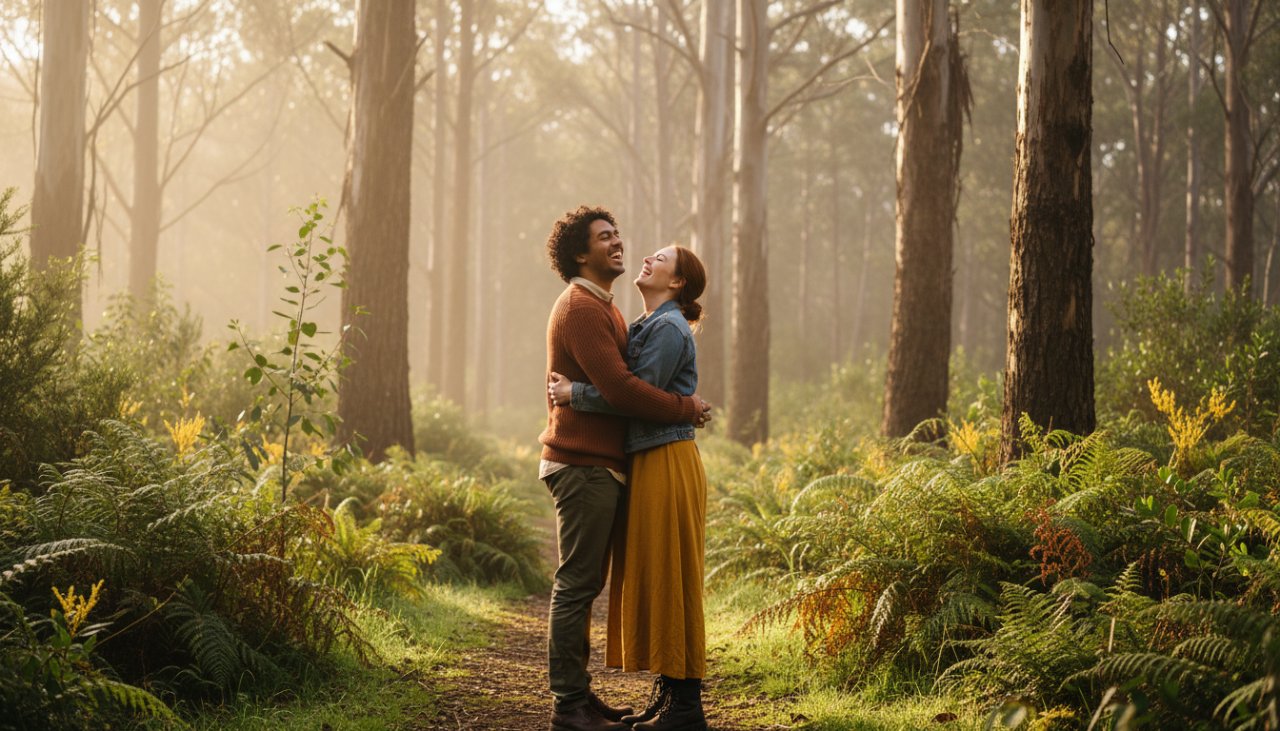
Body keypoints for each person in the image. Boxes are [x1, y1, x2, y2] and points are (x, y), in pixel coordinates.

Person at [539, 206, 712, 731]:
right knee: (580, 582)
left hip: (619, 463)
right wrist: (687, 408)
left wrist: (577, 393)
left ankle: (595, 699)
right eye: (604, 237)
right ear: (579, 253)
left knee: (644, 575)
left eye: (619, 234)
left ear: (677, 281)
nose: (621, 244)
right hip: (585, 463)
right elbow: (624, 390)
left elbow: (629, 387)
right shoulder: (585, 307)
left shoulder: (620, 314)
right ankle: (570, 704)